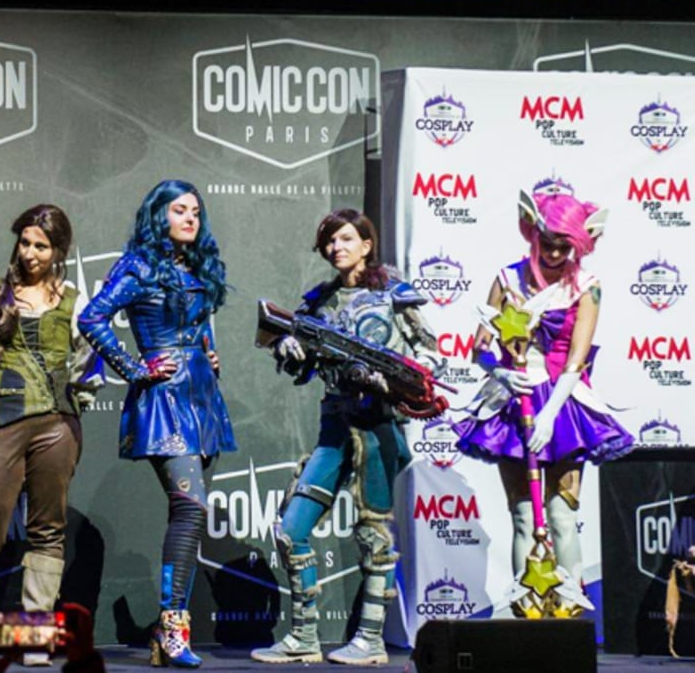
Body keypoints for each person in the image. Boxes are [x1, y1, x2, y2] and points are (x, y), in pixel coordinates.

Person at [251, 209, 440, 666]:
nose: (337, 247)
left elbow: (429, 356)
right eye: (331, 241)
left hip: (378, 427)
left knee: (374, 536)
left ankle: (371, 640)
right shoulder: (319, 301)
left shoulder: (394, 294)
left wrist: (390, 382)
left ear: (366, 244)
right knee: (291, 530)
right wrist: (288, 348)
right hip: (334, 427)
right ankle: (304, 637)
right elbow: (293, 355)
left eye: (347, 238)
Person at [78, 179, 233, 668]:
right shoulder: (138, 265)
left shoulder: (197, 265)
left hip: (202, 395)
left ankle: (169, 634)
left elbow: (201, 322)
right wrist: (135, 368)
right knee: (191, 509)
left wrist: (208, 349)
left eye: (195, 211)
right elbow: (92, 318)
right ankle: (171, 629)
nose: (190, 218)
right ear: (159, 214)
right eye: (180, 210)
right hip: (164, 399)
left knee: (187, 514)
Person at [454, 193, 633, 617]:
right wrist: (498, 372)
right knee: (522, 516)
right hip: (512, 402)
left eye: (563, 247)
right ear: (533, 235)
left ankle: (569, 616)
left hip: (564, 405)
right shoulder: (507, 279)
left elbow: (577, 357)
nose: (553, 254)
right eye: (547, 243)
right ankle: (527, 616)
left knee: (562, 515)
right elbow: (480, 346)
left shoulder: (587, 287)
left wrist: (550, 414)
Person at [0, 205, 104, 666]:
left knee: (47, 530)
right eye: (25, 242)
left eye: (42, 245)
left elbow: (89, 361)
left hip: (57, 424)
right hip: (2, 420)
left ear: (58, 251)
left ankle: (34, 638)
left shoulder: (75, 300)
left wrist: (77, 398)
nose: (31, 253)